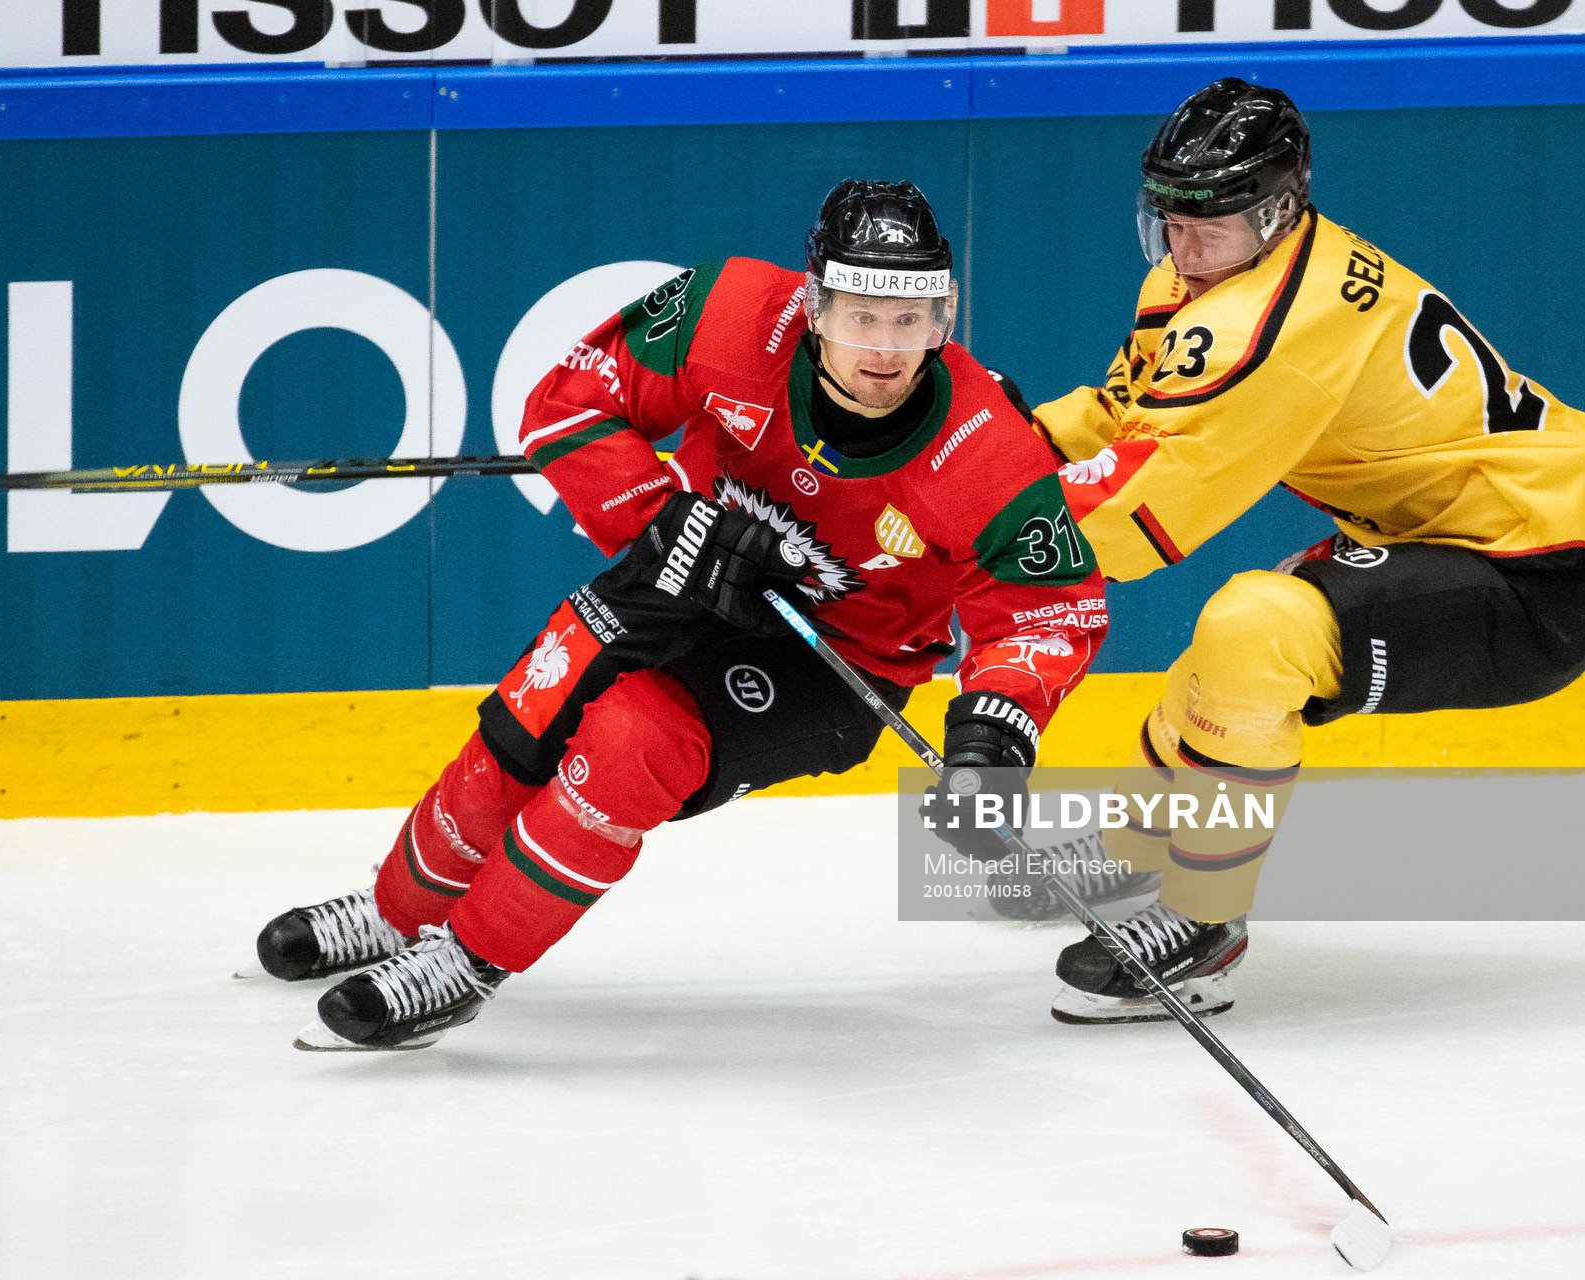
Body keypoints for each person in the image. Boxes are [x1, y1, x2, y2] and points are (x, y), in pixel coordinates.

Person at [251, 178, 1109, 1050]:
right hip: (689, 563)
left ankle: (466, 964)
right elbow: (568, 402)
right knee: (535, 707)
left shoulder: (989, 449)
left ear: (944, 317)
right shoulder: (729, 313)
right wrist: (664, 517)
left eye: (911, 318)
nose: (885, 349)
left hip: (837, 656)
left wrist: (994, 732)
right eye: (859, 316)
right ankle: (398, 910)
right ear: (812, 304)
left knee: (634, 738)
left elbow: (1049, 615)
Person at [1016, 78, 1585, 1024]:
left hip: (1530, 585)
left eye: (1206, 222)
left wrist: (960, 527)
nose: (1181, 244)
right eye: (1169, 217)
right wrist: (998, 443)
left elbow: (1132, 521)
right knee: (1220, 665)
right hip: (1456, 544)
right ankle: (1140, 856)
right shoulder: (1216, 274)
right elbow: (1121, 414)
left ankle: (1206, 924)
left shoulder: (1271, 327)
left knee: (1253, 629)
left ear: (1276, 210)